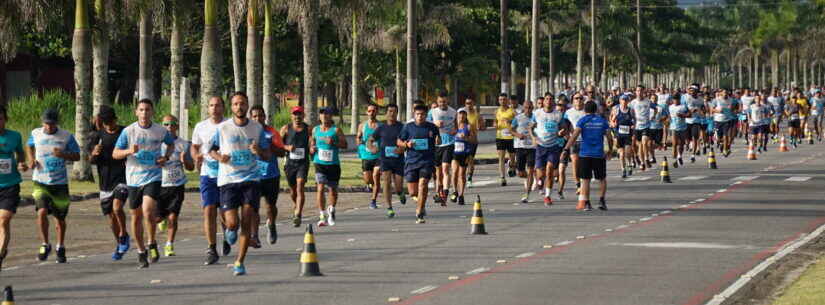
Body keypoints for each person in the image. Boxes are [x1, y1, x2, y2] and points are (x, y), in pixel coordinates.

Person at [208, 92, 269, 276]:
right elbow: (211, 150)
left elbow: (267, 154)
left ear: (247, 105)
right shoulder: (223, 127)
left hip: (251, 179)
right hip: (228, 180)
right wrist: (220, 158)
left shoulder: (257, 128)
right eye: (235, 104)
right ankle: (229, 229)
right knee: (233, 223)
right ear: (231, 107)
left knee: (247, 220)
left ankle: (239, 262)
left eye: (242, 104)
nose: (239, 107)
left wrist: (258, 151)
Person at [112, 99, 175, 268]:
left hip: (153, 176)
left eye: (147, 110)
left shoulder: (160, 131)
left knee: (148, 210)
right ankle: (141, 251)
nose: (144, 113)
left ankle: (152, 242)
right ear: (136, 112)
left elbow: (171, 144)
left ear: (152, 112)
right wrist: (129, 151)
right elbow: (115, 153)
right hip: (133, 179)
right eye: (141, 110)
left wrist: (165, 157)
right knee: (136, 215)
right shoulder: (128, 131)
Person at [28, 108, 81, 264]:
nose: (49, 127)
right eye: (46, 124)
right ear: (42, 122)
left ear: (57, 123)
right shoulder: (36, 133)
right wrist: (31, 159)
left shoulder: (66, 136)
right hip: (40, 181)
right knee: (42, 212)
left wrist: (63, 155)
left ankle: (60, 246)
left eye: (52, 124)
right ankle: (45, 244)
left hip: (59, 183)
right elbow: (29, 145)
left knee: (59, 219)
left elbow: (77, 155)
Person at [88, 106, 130, 261]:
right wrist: (94, 153)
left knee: (117, 207)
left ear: (115, 119)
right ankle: (120, 241)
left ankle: (124, 233)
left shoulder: (125, 132)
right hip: (105, 180)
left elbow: (133, 150)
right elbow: (90, 160)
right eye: (105, 122)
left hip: (122, 178)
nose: (108, 125)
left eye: (110, 121)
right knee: (110, 217)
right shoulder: (97, 136)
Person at [191, 96, 227, 265]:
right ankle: (211, 248)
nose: (214, 108)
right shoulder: (201, 126)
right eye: (211, 105)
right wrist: (195, 156)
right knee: (209, 209)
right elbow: (194, 146)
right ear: (208, 108)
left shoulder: (229, 125)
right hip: (207, 174)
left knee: (226, 214)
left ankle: (228, 233)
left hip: (227, 175)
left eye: (217, 105)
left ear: (223, 108)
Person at [562, 101, 614, 211]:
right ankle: (602, 200)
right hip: (598, 154)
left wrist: (566, 149)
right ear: (596, 110)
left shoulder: (582, 121)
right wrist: (610, 149)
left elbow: (574, 136)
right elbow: (609, 137)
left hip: (585, 153)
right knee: (602, 179)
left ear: (585, 110)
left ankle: (587, 202)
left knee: (585, 180)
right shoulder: (602, 121)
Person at [155, 115, 194, 257]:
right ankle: (162, 218)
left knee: (173, 217)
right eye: (166, 124)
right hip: (160, 185)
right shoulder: (157, 144)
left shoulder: (184, 144)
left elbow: (190, 167)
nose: (169, 127)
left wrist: (184, 160)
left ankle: (169, 244)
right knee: (157, 219)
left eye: (172, 124)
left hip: (177, 186)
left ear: (177, 126)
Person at [250, 105, 285, 246]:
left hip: (271, 175)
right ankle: (255, 234)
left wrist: (270, 146)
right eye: (254, 116)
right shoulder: (248, 133)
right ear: (251, 118)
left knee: (270, 206)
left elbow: (282, 153)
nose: (258, 118)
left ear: (265, 117)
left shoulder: (272, 132)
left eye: (260, 115)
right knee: (253, 208)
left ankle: (271, 224)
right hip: (253, 176)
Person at [398, 104, 440, 224]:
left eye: (422, 114)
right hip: (411, 162)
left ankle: (419, 211)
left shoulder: (432, 127)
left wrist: (438, 140)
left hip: (427, 161)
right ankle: (421, 203)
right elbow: (399, 141)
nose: (420, 116)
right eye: (417, 114)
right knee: (412, 192)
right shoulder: (408, 127)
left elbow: (438, 139)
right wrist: (406, 144)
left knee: (423, 185)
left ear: (426, 115)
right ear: (414, 115)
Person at [310, 107, 347, 227]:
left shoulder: (336, 130)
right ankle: (321, 215)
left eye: (327, 114)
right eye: (322, 114)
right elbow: (312, 144)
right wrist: (311, 149)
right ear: (319, 116)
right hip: (319, 163)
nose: (324, 116)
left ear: (331, 116)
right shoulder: (315, 130)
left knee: (333, 190)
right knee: (320, 188)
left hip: (333, 164)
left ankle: (331, 210)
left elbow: (345, 144)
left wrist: (333, 143)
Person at [0, 107, 27, 269]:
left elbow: (20, 154)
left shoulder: (14, 136)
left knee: (3, 220)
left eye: (1, 118)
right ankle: (2, 250)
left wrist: (22, 163)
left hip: (10, 186)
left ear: (5, 119)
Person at [369, 104, 406, 218]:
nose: (392, 113)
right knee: (386, 182)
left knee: (398, 186)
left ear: (397, 113)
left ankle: (400, 193)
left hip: (398, 160)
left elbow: (407, 142)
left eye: (394, 111)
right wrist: (372, 147)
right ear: (386, 113)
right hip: (385, 160)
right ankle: (389, 207)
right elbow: (370, 140)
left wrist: (402, 149)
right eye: (390, 111)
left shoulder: (402, 127)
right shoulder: (381, 128)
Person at [530, 98, 569, 206]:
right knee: (541, 173)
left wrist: (562, 132)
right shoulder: (537, 113)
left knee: (550, 170)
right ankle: (540, 181)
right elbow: (530, 127)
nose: (548, 101)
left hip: (553, 146)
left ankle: (547, 196)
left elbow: (564, 128)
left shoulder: (558, 114)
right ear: (543, 102)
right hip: (540, 146)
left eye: (551, 99)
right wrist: (533, 137)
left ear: (553, 102)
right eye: (547, 99)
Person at [280, 106, 311, 227]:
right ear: (291, 116)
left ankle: (298, 213)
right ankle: (297, 205)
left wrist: (312, 147)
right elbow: (278, 143)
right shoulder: (286, 128)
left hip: (303, 163)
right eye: (295, 114)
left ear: (303, 116)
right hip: (290, 163)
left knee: (300, 186)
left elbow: (312, 142)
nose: (297, 117)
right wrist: (287, 147)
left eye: (299, 114)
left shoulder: (308, 129)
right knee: (293, 191)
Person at [427, 94, 457, 204]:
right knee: (438, 171)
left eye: (444, 102)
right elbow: (426, 124)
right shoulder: (433, 112)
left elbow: (457, 126)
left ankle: (445, 192)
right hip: (436, 144)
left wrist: (455, 130)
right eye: (440, 102)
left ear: (447, 101)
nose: (442, 104)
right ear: (437, 101)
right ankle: (439, 191)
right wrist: (435, 124)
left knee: (445, 168)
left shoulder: (453, 112)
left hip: (449, 142)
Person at [511, 100, 537, 204]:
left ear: (532, 108)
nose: (528, 110)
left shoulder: (536, 118)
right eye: (526, 107)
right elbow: (511, 130)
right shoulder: (518, 118)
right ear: (523, 108)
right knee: (520, 173)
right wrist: (518, 135)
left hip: (532, 147)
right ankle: (530, 178)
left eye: (530, 107)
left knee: (530, 169)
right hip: (520, 146)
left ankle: (527, 193)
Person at [357, 104, 382, 209]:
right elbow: (358, 138)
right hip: (366, 155)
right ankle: (370, 184)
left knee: (376, 176)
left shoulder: (381, 126)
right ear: (367, 112)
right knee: (368, 180)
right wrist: (361, 148)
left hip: (378, 156)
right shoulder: (362, 126)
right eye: (369, 111)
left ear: (377, 112)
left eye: (373, 111)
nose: (371, 113)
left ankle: (373, 200)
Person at [451, 109, 477, 206]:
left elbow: (474, 139)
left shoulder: (469, 127)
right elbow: (448, 135)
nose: (461, 117)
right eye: (459, 115)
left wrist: (465, 137)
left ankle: (461, 195)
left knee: (462, 175)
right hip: (455, 152)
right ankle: (455, 191)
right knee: (454, 172)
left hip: (464, 153)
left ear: (466, 117)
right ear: (457, 116)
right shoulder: (454, 126)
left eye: (463, 116)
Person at [458, 98, 484, 187]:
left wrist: (481, 126)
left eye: (470, 103)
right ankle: (461, 177)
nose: (468, 105)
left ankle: (469, 177)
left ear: (473, 104)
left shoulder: (477, 115)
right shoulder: (460, 114)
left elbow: (483, 128)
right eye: (466, 103)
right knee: (460, 161)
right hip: (460, 142)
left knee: (470, 160)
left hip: (472, 141)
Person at [564, 95, 586, 196]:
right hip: (574, 141)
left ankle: (582, 183)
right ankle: (578, 185)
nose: (578, 100)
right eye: (576, 98)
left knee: (584, 164)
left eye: (581, 98)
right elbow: (565, 125)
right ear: (573, 101)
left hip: (585, 141)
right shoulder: (568, 112)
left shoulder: (587, 111)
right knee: (575, 162)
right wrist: (567, 136)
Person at [629, 86, 656, 171]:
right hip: (637, 126)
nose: (639, 92)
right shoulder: (633, 103)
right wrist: (632, 121)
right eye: (637, 91)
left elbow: (655, 108)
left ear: (643, 92)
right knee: (640, 145)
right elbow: (629, 111)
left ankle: (647, 159)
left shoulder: (648, 101)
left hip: (646, 125)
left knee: (644, 142)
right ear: (636, 92)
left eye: (641, 91)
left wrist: (653, 116)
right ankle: (642, 162)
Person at [494, 93, 517, 186]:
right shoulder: (496, 111)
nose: (502, 101)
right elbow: (495, 122)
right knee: (501, 158)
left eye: (504, 99)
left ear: (507, 100)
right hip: (500, 137)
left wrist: (511, 122)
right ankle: (502, 178)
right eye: (500, 99)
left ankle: (511, 166)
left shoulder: (512, 111)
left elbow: (517, 122)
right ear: (499, 101)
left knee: (512, 157)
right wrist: (495, 125)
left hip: (511, 137)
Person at [610, 95, 634, 178]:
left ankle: (629, 164)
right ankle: (623, 169)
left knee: (627, 152)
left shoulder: (630, 111)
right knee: (622, 154)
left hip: (627, 134)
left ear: (627, 102)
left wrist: (633, 125)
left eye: (625, 100)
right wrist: (613, 124)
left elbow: (634, 120)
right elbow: (612, 122)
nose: (624, 102)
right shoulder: (616, 110)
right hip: (619, 134)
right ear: (620, 101)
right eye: (622, 100)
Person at [684, 86, 706, 162]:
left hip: (696, 121)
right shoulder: (688, 98)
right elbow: (689, 109)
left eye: (693, 90)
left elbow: (703, 108)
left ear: (697, 91)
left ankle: (693, 155)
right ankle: (688, 144)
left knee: (695, 137)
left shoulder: (700, 99)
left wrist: (703, 111)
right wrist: (694, 110)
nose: (691, 92)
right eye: (690, 90)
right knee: (687, 138)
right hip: (688, 121)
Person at [711, 90, 735, 157]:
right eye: (724, 93)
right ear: (721, 93)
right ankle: (721, 143)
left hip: (727, 120)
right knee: (718, 139)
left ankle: (725, 150)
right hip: (718, 120)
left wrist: (732, 109)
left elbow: (733, 109)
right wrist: (718, 111)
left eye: (726, 93)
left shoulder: (731, 100)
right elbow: (711, 109)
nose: (725, 94)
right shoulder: (716, 100)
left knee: (726, 136)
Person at [668, 95, 690, 168]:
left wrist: (683, 115)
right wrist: (668, 120)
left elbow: (689, 114)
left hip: (682, 127)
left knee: (681, 144)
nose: (675, 101)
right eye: (674, 99)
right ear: (672, 100)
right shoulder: (670, 107)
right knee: (674, 144)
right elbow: (668, 115)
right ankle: (675, 160)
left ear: (679, 99)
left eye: (677, 99)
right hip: (673, 127)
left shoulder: (683, 106)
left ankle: (679, 156)